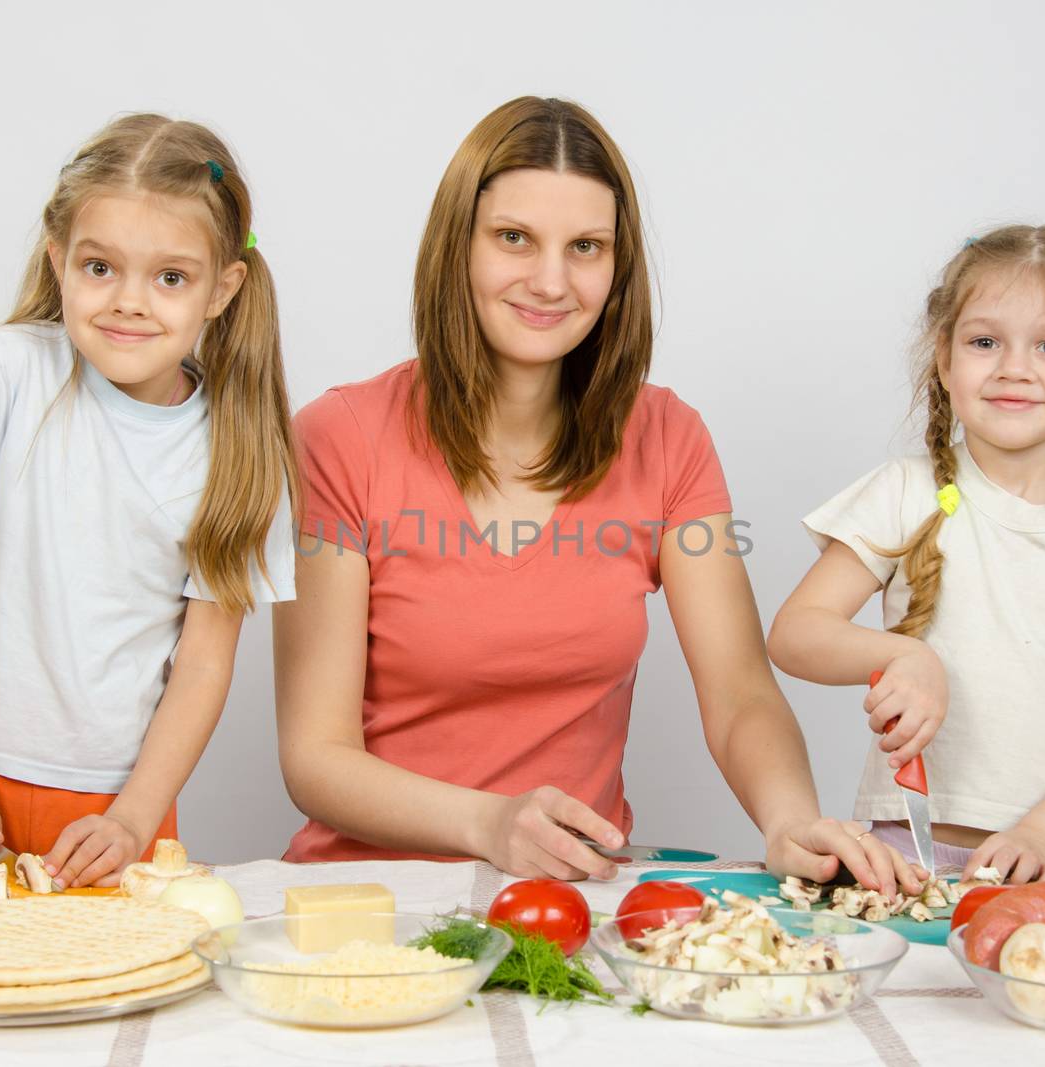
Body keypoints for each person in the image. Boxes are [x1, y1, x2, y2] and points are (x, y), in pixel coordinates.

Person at [274, 97, 921, 895]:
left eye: (585, 247)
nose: (550, 281)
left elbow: (740, 693)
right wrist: (488, 823)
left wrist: (789, 818)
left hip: (569, 901)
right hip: (368, 901)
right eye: (514, 238)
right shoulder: (339, 438)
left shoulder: (668, 438)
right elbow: (316, 755)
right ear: (458, 247)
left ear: (618, 269)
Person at [0, 114, 296, 887]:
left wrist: (135, 815)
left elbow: (203, 663)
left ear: (221, 289)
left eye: (170, 277)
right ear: (58, 257)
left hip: (119, 806)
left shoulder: (238, 451)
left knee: (112, 994)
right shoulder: (6, 372)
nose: (129, 302)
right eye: (101, 267)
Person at [769, 224, 1045, 882]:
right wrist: (903, 653)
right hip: (900, 854)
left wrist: (1042, 833)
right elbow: (795, 633)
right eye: (984, 341)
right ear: (945, 360)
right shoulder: (905, 493)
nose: (1014, 368)